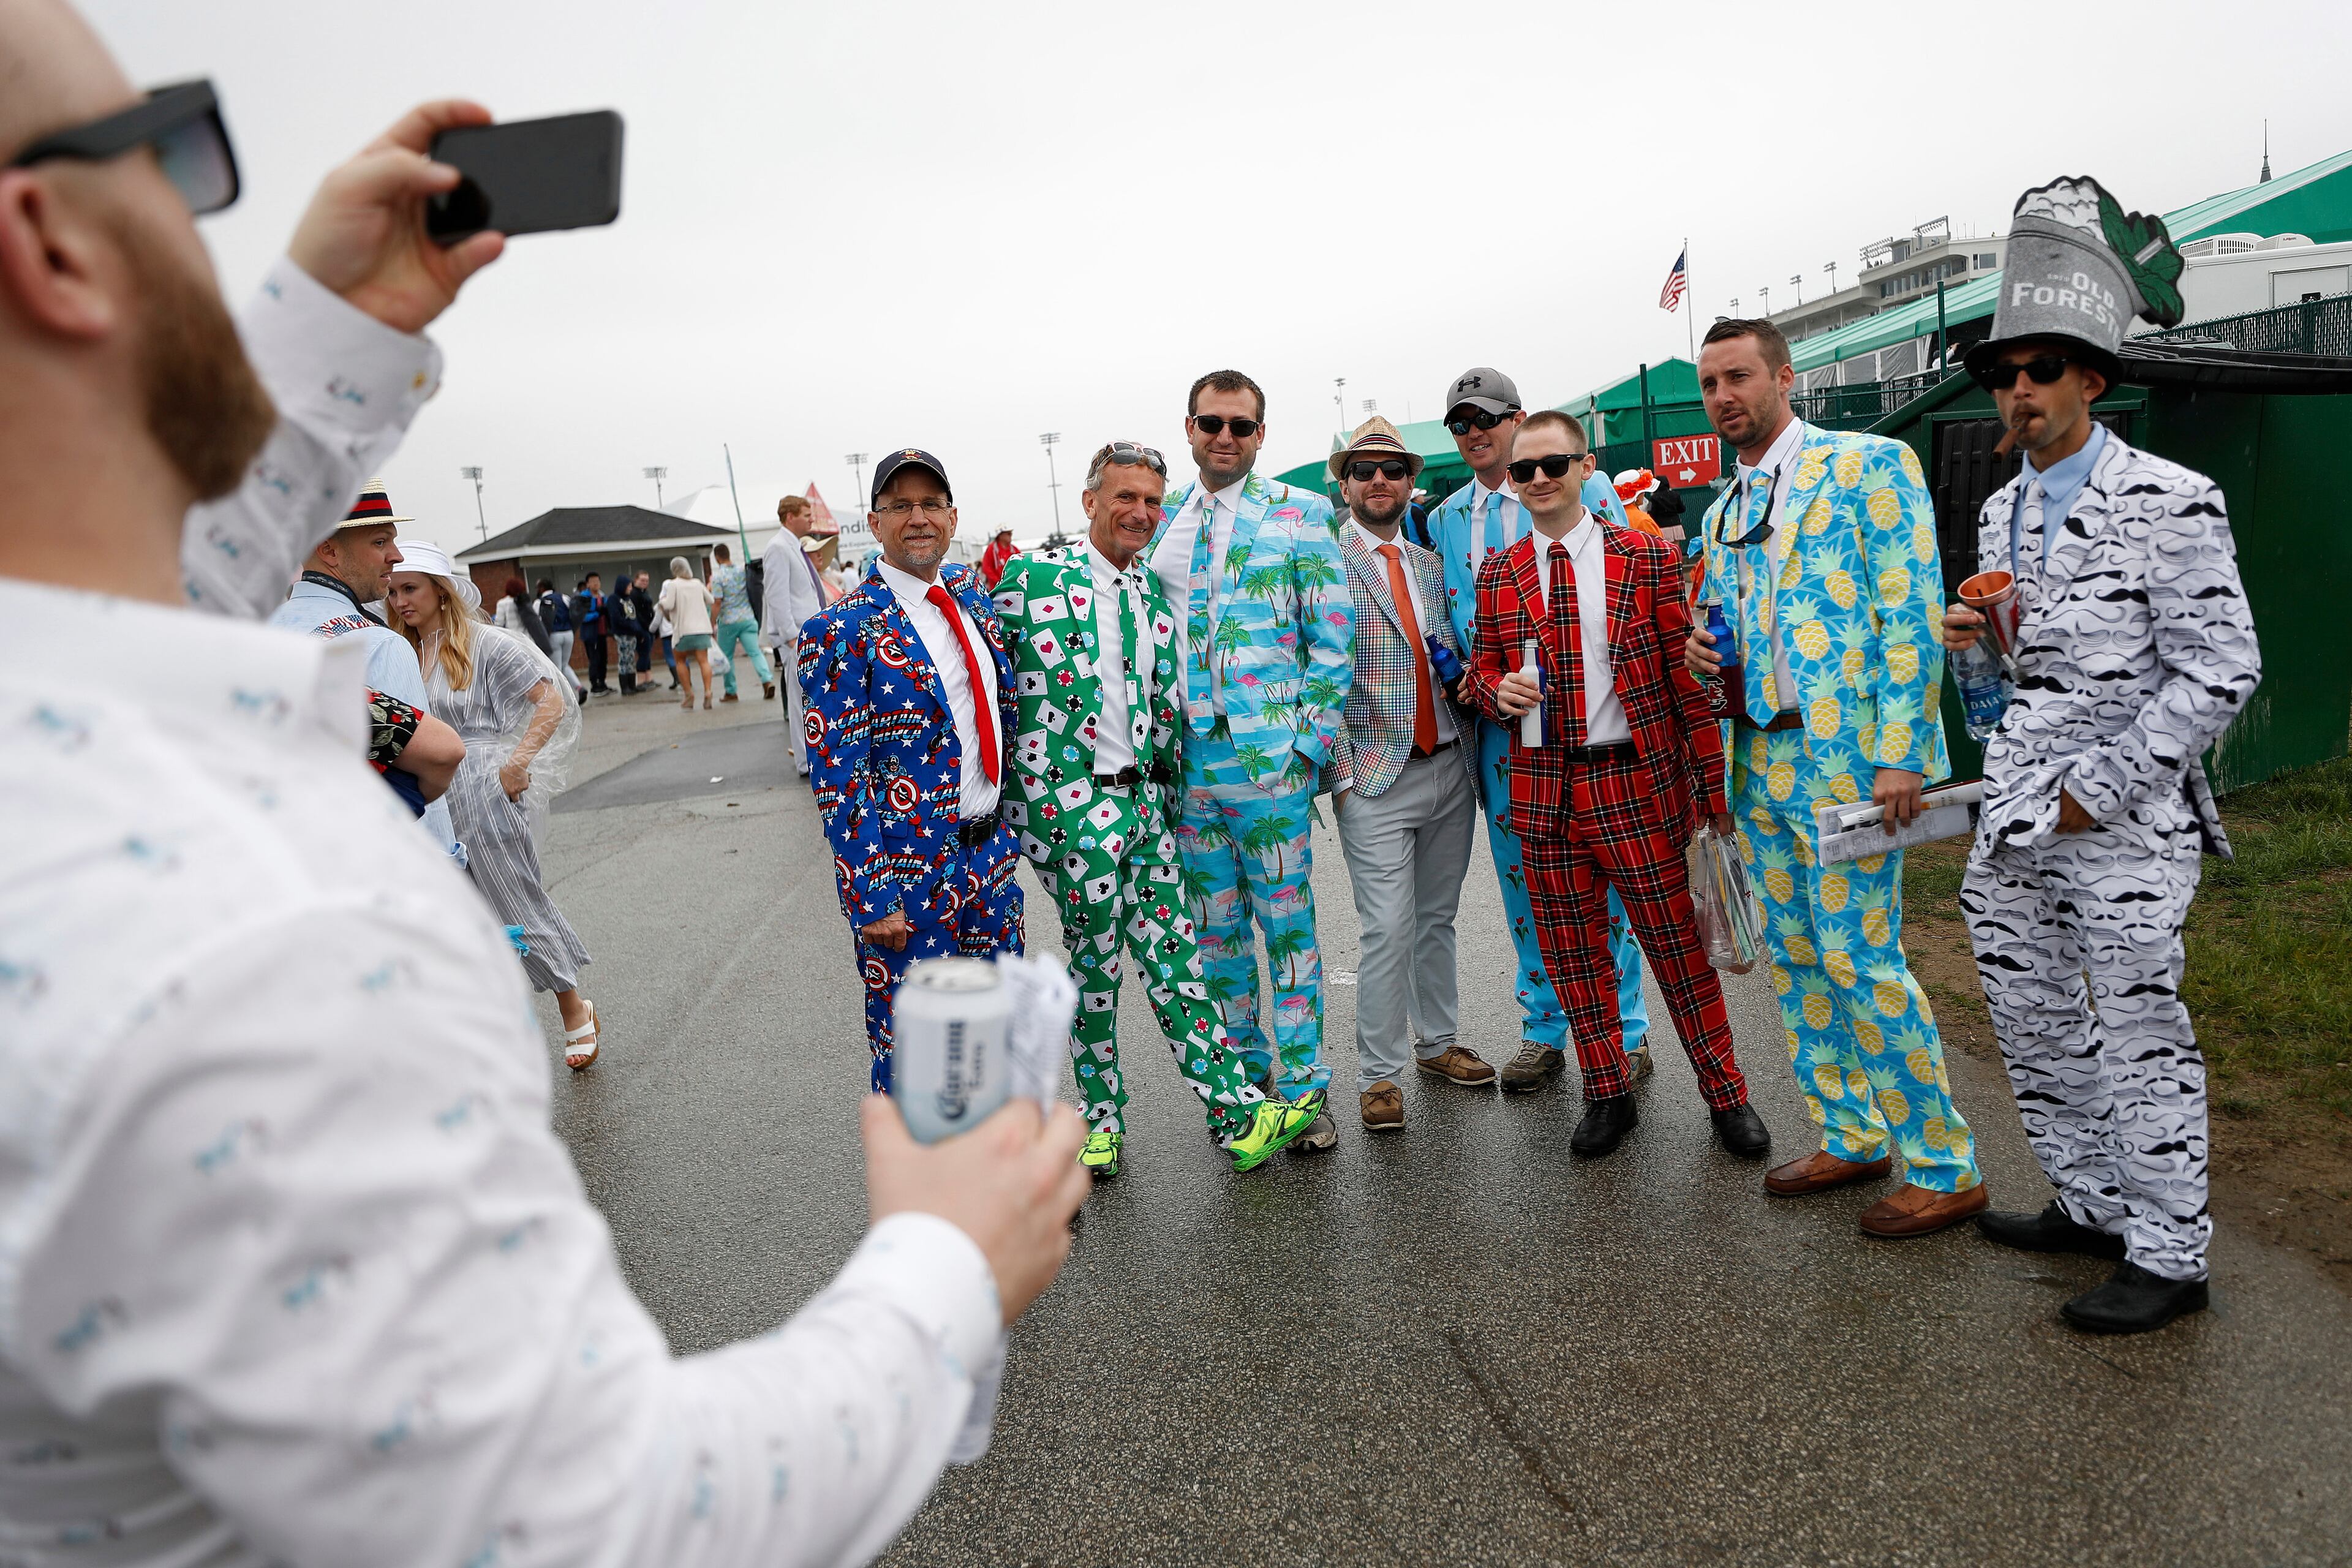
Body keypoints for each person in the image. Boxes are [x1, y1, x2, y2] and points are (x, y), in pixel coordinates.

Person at [0, 15, 1091, 1562]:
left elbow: (157, 572)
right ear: (51, 240)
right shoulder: (242, 938)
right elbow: (591, 1518)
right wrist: (945, 1265)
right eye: (172, 150)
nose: (211, 218)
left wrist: (336, 325)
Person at [1945, 176, 2260, 1334]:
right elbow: (2019, 687)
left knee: (2134, 1023)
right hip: (2017, 808)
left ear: (2092, 377)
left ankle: (2172, 1252)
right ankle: (2092, 1202)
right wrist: (1980, 648)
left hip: (2120, 819)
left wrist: (2102, 790)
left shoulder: (2173, 500)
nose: (2017, 390)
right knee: (2030, 1018)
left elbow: (2224, 668)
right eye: (2000, 373)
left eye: (2039, 369)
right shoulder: (1997, 511)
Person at [1684, 317, 1985, 1235]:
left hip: (1852, 764)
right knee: (1802, 962)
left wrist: (1902, 750)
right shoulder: (1725, 509)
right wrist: (1701, 651)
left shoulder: (1870, 465)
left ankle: (1945, 1160)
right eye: (1710, 384)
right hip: (1759, 759)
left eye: (1738, 377)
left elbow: (1910, 609)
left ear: (1783, 376)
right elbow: (1721, 625)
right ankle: (1850, 1134)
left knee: (1862, 955)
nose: (1723, 397)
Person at [992, 441, 1323, 1175]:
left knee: (1177, 961)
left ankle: (1239, 1117)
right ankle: (1099, 1120)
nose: (1140, 513)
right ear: (1089, 503)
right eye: (1124, 498)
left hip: (1145, 805)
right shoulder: (1029, 579)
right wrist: (1016, 807)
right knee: (1096, 969)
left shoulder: (1148, 594)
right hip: (1069, 811)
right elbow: (986, 688)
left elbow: (1160, 707)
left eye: (1151, 499)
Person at [1461, 413, 1773, 1159]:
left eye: (1553, 464)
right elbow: (1480, 670)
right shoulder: (1499, 573)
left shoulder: (1643, 557)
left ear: (1584, 465)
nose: (1538, 479)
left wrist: (1713, 800)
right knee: (1573, 955)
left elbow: (1686, 684)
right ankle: (1608, 1092)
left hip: (1635, 782)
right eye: (1524, 469)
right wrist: (1496, 688)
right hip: (1545, 792)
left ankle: (1726, 1094)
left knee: (1677, 953)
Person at [1425, 367, 1653, 1092]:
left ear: (1517, 419)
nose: (1475, 435)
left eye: (1486, 419)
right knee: (1526, 883)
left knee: (1607, 882)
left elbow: (1630, 595)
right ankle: (1545, 1026)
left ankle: (1625, 1029)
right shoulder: (1443, 517)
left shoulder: (1582, 487)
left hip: (1592, 728)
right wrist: (1469, 675)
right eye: (1461, 423)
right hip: (1500, 729)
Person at [1148, 370, 1353, 1149]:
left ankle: (1305, 1094)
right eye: (1210, 423)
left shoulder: (1300, 515)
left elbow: (1334, 638)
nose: (1224, 437)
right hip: (1186, 766)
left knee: (1288, 932)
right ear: (1190, 429)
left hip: (1270, 768)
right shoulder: (1161, 523)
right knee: (1214, 936)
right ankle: (1246, 1086)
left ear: (1261, 434)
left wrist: (1307, 747)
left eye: (1240, 425)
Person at [800, 449, 1024, 1090]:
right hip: (906, 879)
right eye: (901, 506)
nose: (918, 518)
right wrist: (871, 896)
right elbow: (838, 779)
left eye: (931, 504)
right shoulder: (839, 630)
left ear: (954, 518)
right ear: (875, 522)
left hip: (988, 862)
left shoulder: (973, 600)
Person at [1323, 419, 1490, 1133]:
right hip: (1375, 775)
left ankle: (1438, 1043)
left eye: (1392, 469)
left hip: (1449, 762)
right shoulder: (1324, 564)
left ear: (1410, 480)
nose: (1379, 481)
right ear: (1346, 483)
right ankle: (1378, 1075)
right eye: (1365, 470)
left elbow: (1454, 646)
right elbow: (1310, 674)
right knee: (1386, 927)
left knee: (1436, 919)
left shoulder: (1426, 563)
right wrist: (1343, 777)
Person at [386, 542, 600, 1068]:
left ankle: (574, 1008)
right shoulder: (400, 653)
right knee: (456, 914)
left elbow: (551, 698)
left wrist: (518, 763)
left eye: (410, 588)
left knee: (514, 898)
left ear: (441, 589)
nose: (400, 601)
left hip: (483, 789)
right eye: (392, 592)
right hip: (424, 797)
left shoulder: (484, 645)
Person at [266, 479, 462, 862]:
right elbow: (423, 783)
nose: (396, 555)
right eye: (379, 542)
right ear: (329, 551)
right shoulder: (377, 644)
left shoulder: (257, 632)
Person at [765, 495, 832, 778]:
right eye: (806, 514)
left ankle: (814, 757)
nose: (810, 519)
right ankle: (806, 762)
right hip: (797, 638)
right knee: (799, 701)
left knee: (812, 699)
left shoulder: (793, 547)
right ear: (790, 517)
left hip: (808, 635)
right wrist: (792, 637)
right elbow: (777, 596)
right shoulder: (778, 548)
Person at [708, 540, 775, 702]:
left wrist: (712, 621)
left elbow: (718, 602)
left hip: (728, 621)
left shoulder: (718, 578)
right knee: (755, 652)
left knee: (727, 656)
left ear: (717, 558)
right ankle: (767, 680)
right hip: (747, 618)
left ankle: (731, 691)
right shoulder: (743, 572)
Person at [659, 554, 718, 709]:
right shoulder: (697, 583)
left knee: (680, 661)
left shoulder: (674, 585)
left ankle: (689, 695)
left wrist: (661, 602)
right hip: (702, 628)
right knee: (703, 661)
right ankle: (708, 691)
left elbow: (669, 604)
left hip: (683, 630)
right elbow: (711, 600)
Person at [537, 575, 587, 697]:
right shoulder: (564, 597)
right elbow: (573, 612)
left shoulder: (539, 602)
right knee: (565, 665)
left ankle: (562, 697)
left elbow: (537, 623)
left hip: (554, 635)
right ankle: (579, 688)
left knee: (556, 668)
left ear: (541, 588)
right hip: (568, 633)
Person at [496, 573, 555, 659]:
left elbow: (499, 625)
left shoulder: (502, 603)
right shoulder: (525, 602)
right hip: (528, 640)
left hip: (514, 641)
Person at [576, 570, 611, 693]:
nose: (596, 584)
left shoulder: (603, 597)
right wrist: (597, 613)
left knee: (604, 659)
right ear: (588, 584)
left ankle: (603, 682)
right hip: (591, 635)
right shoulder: (583, 598)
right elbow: (582, 617)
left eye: (598, 581)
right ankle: (595, 685)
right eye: (593, 582)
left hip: (602, 633)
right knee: (594, 659)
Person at [978, 524, 1016, 590]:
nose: (1011, 536)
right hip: (998, 589)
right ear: (1000, 535)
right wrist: (999, 582)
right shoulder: (992, 549)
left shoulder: (1014, 550)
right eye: (1008, 534)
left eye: (1011, 534)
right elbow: (987, 568)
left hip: (1013, 587)